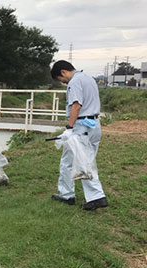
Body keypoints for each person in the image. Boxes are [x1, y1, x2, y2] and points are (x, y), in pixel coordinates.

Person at [50, 60, 108, 210]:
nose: (63, 83)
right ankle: (73, 194)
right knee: (82, 161)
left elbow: (76, 105)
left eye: (60, 79)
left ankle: (93, 196)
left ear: (63, 72)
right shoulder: (89, 78)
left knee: (77, 163)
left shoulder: (74, 82)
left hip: (81, 126)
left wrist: (69, 128)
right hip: (94, 124)